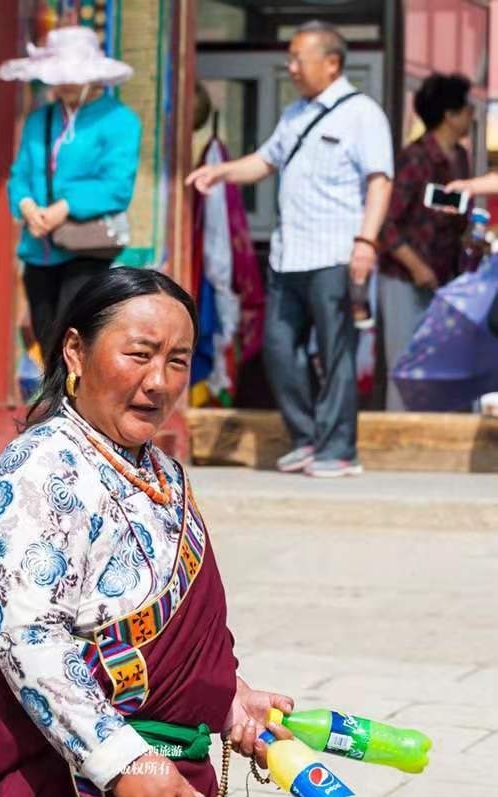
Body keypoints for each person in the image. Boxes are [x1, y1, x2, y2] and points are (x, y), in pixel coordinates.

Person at [0, 266, 295, 797]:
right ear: (77, 352)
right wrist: (120, 759)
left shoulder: (161, 471)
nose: (158, 381)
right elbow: (28, 637)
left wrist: (226, 697)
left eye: (179, 361)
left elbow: (149, 627)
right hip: (63, 790)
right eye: (139, 354)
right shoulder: (37, 472)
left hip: (171, 792)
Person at [186, 21, 393, 478]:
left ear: (332, 63)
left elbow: (380, 181)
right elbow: (264, 161)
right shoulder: (295, 113)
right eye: (291, 57)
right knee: (279, 347)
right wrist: (218, 174)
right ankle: (306, 437)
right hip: (288, 255)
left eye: (300, 58)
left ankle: (339, 449)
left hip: (337, 252)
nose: (291, 66)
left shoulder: (363, 114)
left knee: (336, 351)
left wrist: (366, 241)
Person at [2, 26, 142, 352]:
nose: (64, 82)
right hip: (38, 247)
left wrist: (64, 207)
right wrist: (26, 206)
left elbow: (117, 186)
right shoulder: (40, 120)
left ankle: (73, 401)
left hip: (84, 247)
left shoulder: (121, 121)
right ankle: (57, 400)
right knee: (46, 337)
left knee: (74, 335)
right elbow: (19, 174)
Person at [378, 73, 473, 411]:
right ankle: (396, 441)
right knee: (404, 363)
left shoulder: (460, 159)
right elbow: (385, 223)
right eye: (467, 108)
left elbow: (459, 218)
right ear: (450, 114)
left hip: (444, 281)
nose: (472, 114)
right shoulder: (414, 159)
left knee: (441, 364)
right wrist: (417, 267)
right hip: (404, 280)